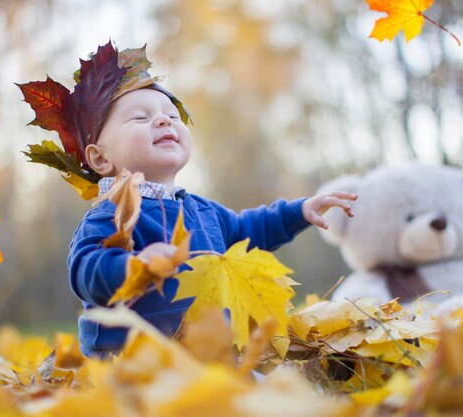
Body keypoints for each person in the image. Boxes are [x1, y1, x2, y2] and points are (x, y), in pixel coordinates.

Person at [20, 41, 356, 357]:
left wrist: (299, 211)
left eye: (172, 115)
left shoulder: (203, 210)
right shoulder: (112, 213)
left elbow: (249, 229)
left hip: (207, 356)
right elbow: (85, 271)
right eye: (140, 117)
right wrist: (136, 267)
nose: (164, 119)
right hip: (131, 364)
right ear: (99, 159)